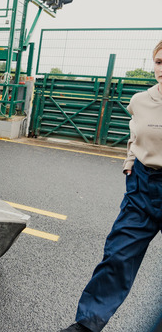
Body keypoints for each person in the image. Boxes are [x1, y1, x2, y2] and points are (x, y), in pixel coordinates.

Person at [60, 40, 162, 332]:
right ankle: (86, 324)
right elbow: (136, 134)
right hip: (142, 186)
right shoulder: (140, 100)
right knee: (118, 256)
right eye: (158, 62)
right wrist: (130, 159)